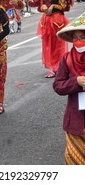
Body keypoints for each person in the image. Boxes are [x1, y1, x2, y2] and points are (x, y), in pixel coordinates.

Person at [53, 12, 85, 165]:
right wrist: (76, 82)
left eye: (82, 37)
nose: (78, 41)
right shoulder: (66, 59)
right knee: (75, 162)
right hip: (76, 119)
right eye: (75, 37)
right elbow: (58, 85)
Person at [37, 0, 69, 78]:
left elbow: (65, 6)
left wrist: (53, 6)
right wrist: (43, 7)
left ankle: (59, 67)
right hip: (46, 21)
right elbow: (41, 5)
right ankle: (52, 68)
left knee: (58, 45)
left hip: (57, 21)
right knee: (48, 45)